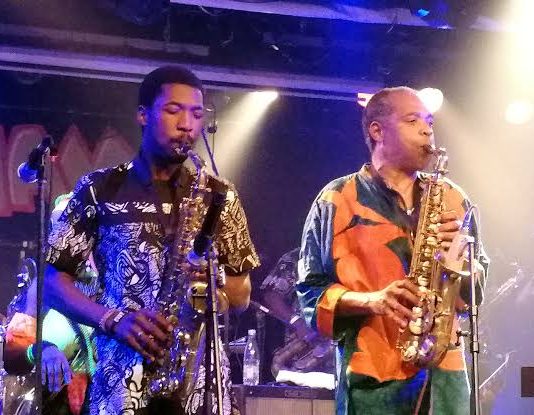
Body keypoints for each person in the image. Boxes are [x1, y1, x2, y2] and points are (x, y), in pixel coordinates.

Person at [44, 65, 260, 415]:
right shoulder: (99, 190)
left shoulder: (220, 196)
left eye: (196, 114)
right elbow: (53, 284)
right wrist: (112, 319)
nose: (187, 125)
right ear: (143, 115)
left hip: (199, 382)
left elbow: (242, 294)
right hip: (120, 379)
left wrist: (213, 284)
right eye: (174, 111)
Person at [296, 86, 488, 415]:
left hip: (445, 380)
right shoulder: (337, 198)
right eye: (413, 121)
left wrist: (460, 258)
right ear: (377, 131)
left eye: (429, 122)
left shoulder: (454, 198)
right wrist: (373, 300)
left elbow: (475, 292)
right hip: (373, 382)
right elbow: (310, 295)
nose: (427, 130)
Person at [4, 194, 97, 415]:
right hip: (55, 404)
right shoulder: (42, 287)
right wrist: (41, 349)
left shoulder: (114, 282)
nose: (65, 243)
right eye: (59, 233)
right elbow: (12, 354)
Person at [259, 248, 335, 382]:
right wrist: (297, 322)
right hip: (302, 352)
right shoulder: (295, 258)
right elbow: (271, 295)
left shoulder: (353, 258)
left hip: (344, 356)